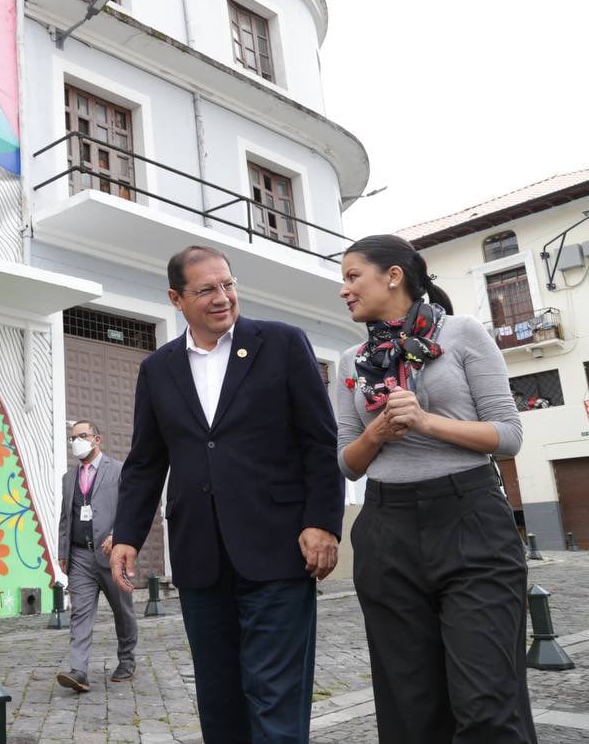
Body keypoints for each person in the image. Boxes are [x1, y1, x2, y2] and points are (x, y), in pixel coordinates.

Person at [111, 245, 343, 743]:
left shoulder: (282, 343)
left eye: (228, 285)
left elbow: (320, 441)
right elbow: (146, 461)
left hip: (280, 548)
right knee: (218, 699)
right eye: (206, 290)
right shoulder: (158, 369)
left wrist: (322, 522)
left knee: (275, 696)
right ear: (176, 298)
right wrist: (127, 534)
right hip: (200, 555)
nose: (222, 297)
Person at [335, 234, 535, 743]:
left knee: (487, 703)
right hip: (386, 530)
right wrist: (379, 432)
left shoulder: (463, 333)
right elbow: (348, 463)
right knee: (411, 709)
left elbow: (508, 435)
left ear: (393, 276)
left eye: (353, 276)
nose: (344, 289)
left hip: (471, 522)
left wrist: (425, 421)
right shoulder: (352, 361)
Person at [54, 420, 138, 692]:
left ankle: (127, 659)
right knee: (79, 613)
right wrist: (63, 551)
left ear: (97, 439)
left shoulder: (118, 470)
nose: (76, 442)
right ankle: (78, 671)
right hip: (79, 556)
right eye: (72, 438)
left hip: (112, 555)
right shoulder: (68, 478)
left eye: (82, 436)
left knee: (122, 611)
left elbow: (130, 508)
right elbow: (65, 518)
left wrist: (118, 535)